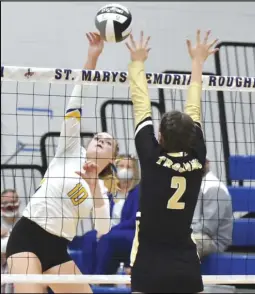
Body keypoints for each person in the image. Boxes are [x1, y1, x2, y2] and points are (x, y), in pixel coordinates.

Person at [6, 32, 117, 294]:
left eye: (108, 142)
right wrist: (92, 58)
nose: (100, 140)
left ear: (112, 158)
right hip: (27, 236)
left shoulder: (101, 188)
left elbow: (103, 230)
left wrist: (93, 185)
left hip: (57, 248)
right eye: (97, 137)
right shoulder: (70, 150)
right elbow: (76, 101)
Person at [125, 30, 218, 293]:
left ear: (160, 136)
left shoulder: (152, 157)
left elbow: (141, 104)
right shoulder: (198, 159)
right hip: (185, 264)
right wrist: (198, 63)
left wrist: (137, 62)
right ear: (192, 137)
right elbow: (195, 109)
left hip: (149, 264)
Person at [93, 154, 140, 275]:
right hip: (110, 232)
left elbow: (134, 221)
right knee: (88, 238)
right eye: (121, 166)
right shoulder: (110, 192)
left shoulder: (138, 192)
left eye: (129, 167)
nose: (124, 169)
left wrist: (108, 230)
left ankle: (100, 281)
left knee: (108, 239)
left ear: (135, 171)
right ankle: (86, 280)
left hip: (131, 233)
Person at [192, 159, 233, 258]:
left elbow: (208, 228)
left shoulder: (214, 187)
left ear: (206, 163)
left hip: (212, 241)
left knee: (182, 246)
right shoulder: (192, 184)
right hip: (195, 234)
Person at [1, 189, 21, 294]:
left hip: (21, 265)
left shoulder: (26, 222)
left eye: (12, 202)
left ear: (19, 202)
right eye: (5, 203)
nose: (9, 205)